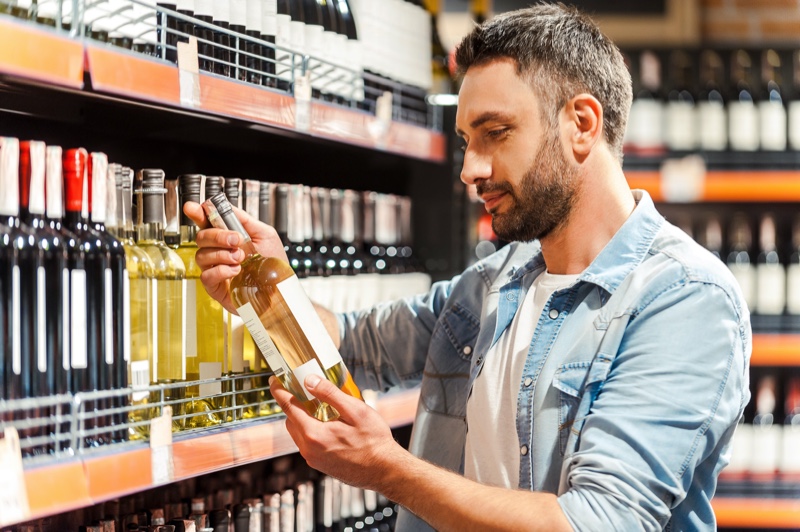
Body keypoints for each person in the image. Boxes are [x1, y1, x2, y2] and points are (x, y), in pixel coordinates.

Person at [186, 4, 751, 530]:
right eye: (464, 141)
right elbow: (357, 345)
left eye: (495, 133)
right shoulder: (495, 280)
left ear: (582, 123)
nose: (470, 169)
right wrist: (267, 286)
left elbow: (599, 520)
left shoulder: (684, 298)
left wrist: (388, 471)